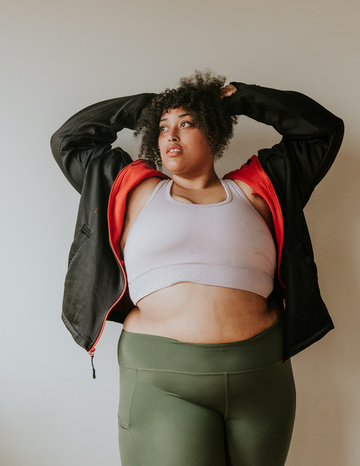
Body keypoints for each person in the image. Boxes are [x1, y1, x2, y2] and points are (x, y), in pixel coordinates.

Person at [51, 71, 344, 465]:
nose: (170, 136)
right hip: (163, 379)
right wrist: (148, 106)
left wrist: (239, 99)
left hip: (262, 375)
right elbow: (69, 140)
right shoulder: (132, 188)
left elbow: (322, 130)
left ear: (215, 132)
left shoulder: (260, 187)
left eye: (186, 124)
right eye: (163, 127)